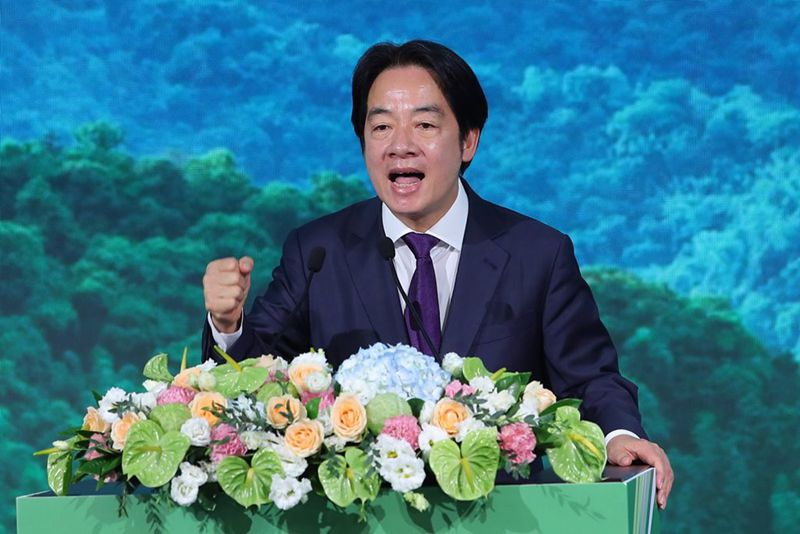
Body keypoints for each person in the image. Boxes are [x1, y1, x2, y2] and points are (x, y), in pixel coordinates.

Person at [202, 40, 673, 509]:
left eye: (424, 125)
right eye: (381, 126)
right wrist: (228, 326)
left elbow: (589, 378)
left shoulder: (536, 255)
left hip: (500, 515)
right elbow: (258, 381)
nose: (400, 146)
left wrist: (619, 435)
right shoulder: (319, 251)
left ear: (468, 140)